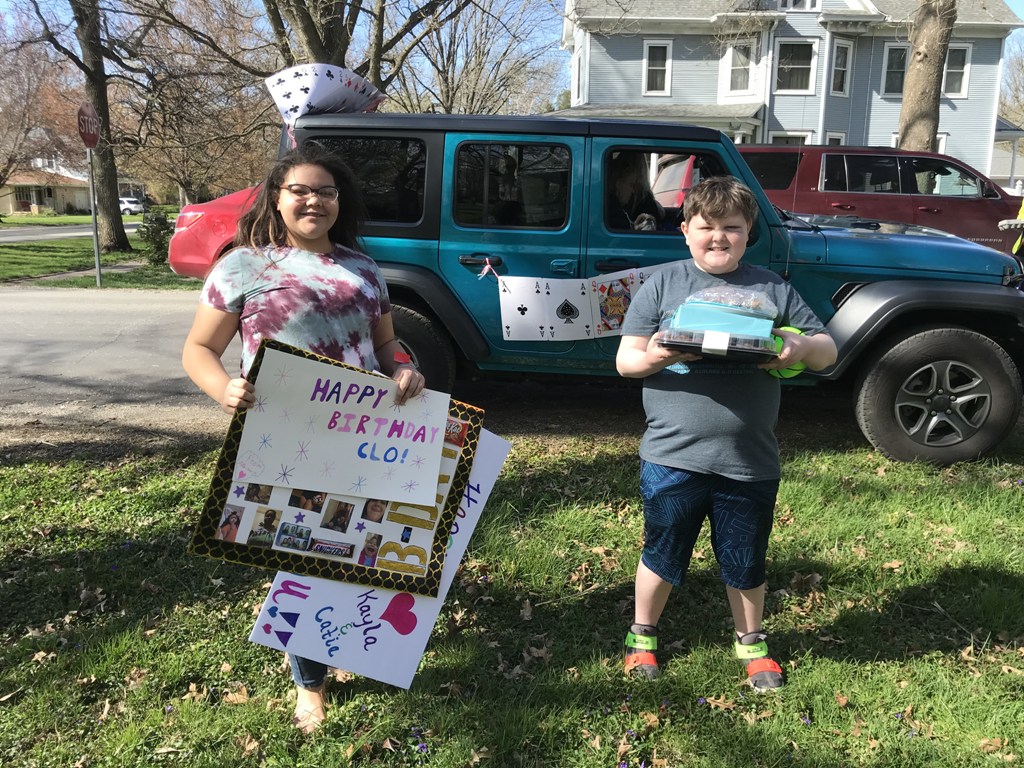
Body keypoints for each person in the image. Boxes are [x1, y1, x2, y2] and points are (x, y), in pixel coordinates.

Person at [182, 143, 426, 734]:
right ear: (276, 199)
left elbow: (385, 344)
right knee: (303, 556)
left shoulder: (363, 268)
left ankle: (337, 644)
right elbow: (199, 350)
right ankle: (309, 685)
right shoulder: (243, 267)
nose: (314, 201)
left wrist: (403, 368)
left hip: (363, 436)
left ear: (340, 202)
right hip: (286, 438)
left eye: (326, 192)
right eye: (301, 190)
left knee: (357, 546)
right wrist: (222, 389)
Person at [615, 175, 837, 690]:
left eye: (732, 228)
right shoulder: (663, 284)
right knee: (663, 547)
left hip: (749, 458)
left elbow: (827, 351)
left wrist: (800, 347)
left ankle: (751, 641)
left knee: (745, 554)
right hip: (672, 453)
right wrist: (660, 353)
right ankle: (642, 635)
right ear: (685, 231)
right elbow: (627, 361)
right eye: (706, 226)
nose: (719, 237)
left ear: (748, 232)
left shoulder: (771, 288)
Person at [606, 151, 664, 231]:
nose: (633, 191)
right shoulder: (615, 213)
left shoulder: (614, 209)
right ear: (618, 183)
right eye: (632, 185)